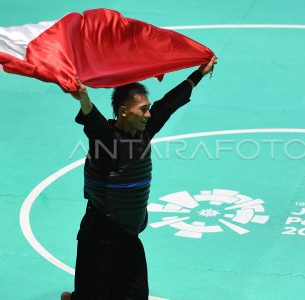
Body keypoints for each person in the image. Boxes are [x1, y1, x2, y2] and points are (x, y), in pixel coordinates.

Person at [61, 56, 217, 300]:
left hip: (129, 235)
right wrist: (83, 98)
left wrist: (198, 73)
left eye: (148, 108)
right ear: (124, 112)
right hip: (99, 235)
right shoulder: (108, 143)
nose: (148, 114)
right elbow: (95, 124)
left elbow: (169, 104)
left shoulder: (144, 131)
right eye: (142, 109)